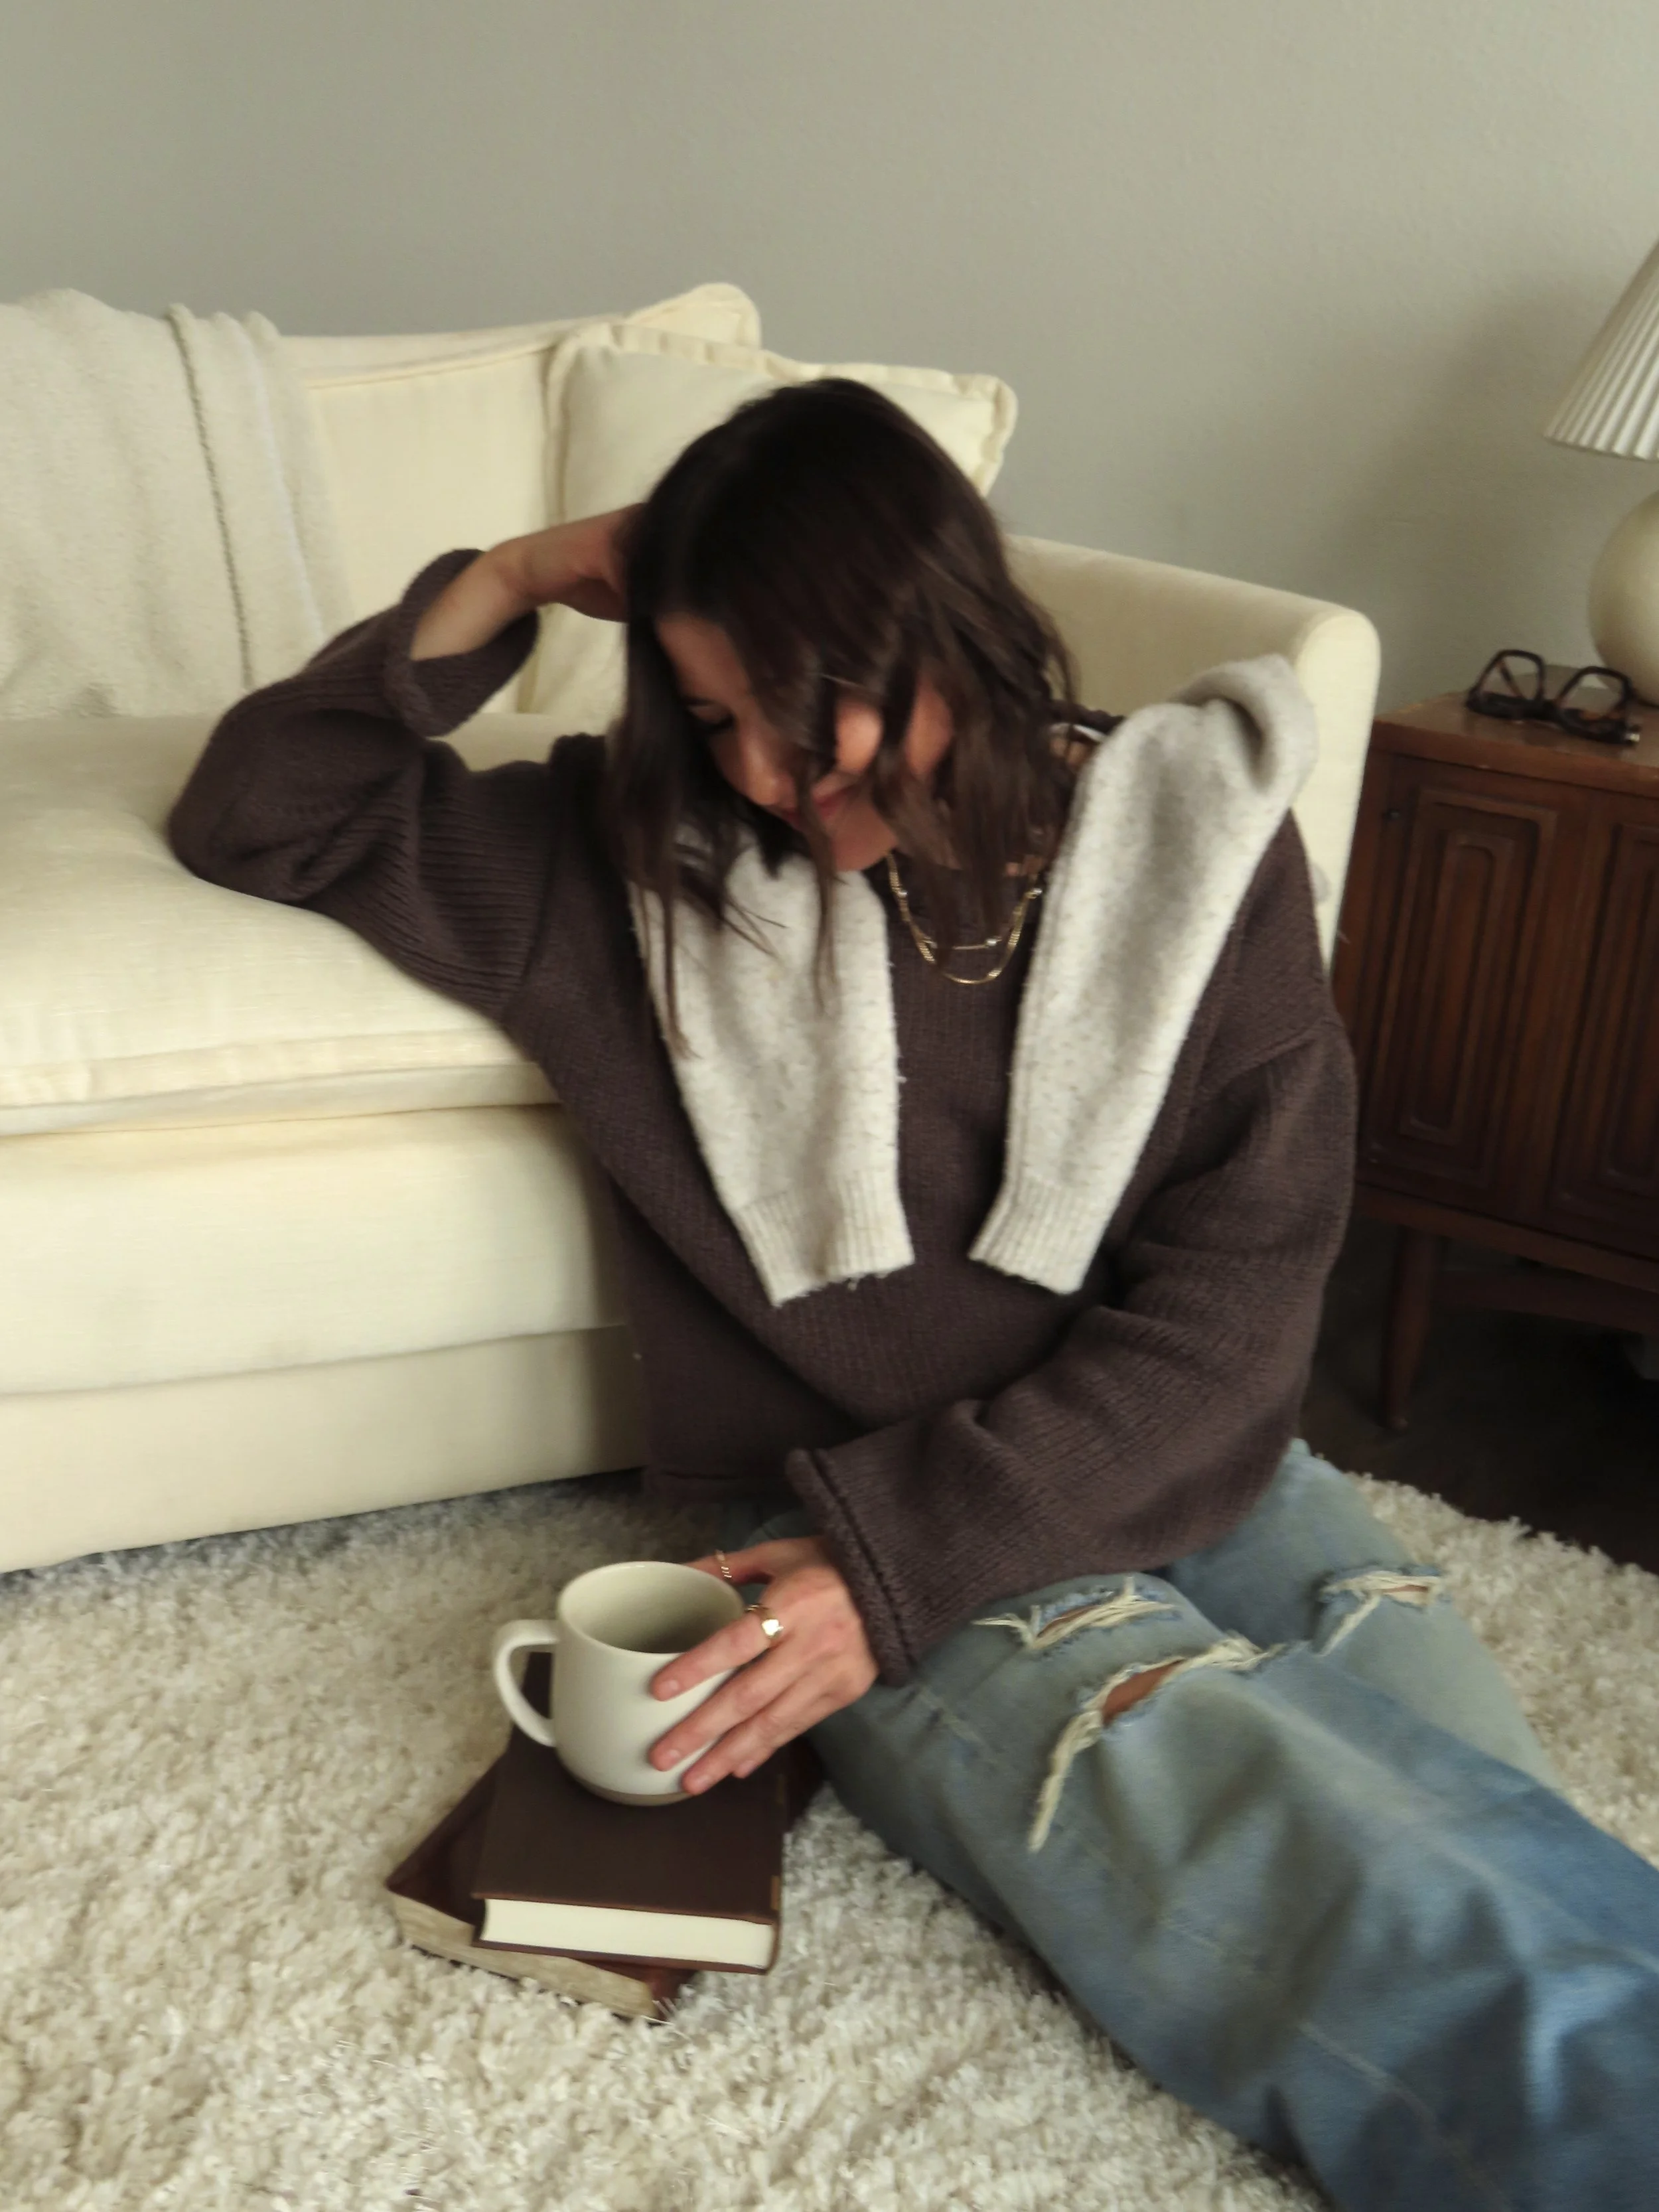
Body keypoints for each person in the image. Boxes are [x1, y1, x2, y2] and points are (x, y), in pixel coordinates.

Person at [169, 379, 1659, 2209]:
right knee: (1320, 1865)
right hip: (849, 1521)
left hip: (1176, 1453)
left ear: (953, 630)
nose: (763, 776)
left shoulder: (1191, 844)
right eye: (713, 714)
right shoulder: (628, 871)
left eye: (807, 715)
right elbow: (262, 806)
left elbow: (1247, 1288)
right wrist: (515, 571)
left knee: (1451, 1779)